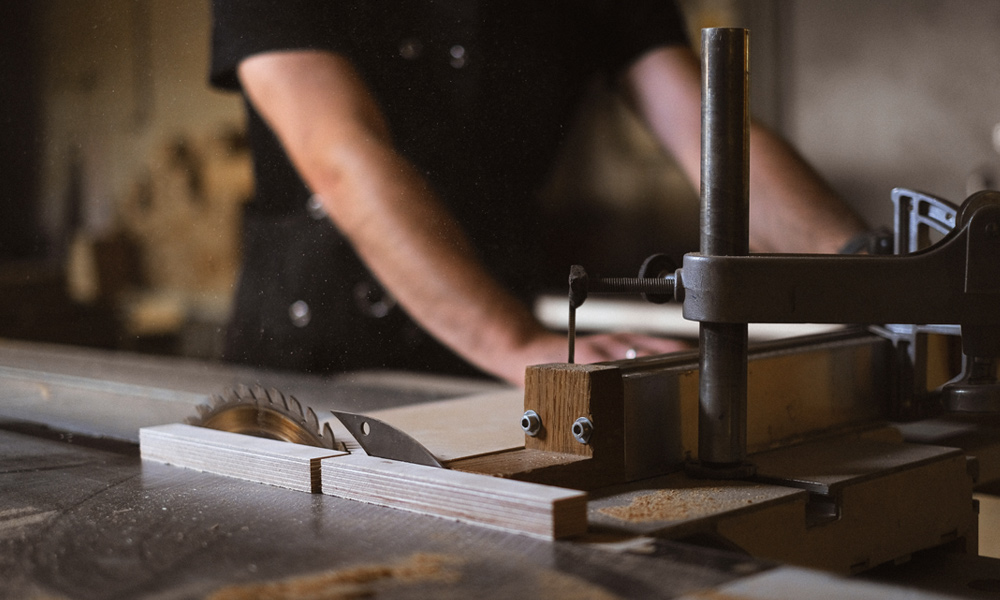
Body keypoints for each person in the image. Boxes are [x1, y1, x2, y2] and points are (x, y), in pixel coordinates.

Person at [210, 0, 867, 386]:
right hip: (311, 375)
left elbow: (708, 132)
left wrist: (871, 272)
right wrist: (516, 341)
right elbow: (341, 153)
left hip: (498, 369)